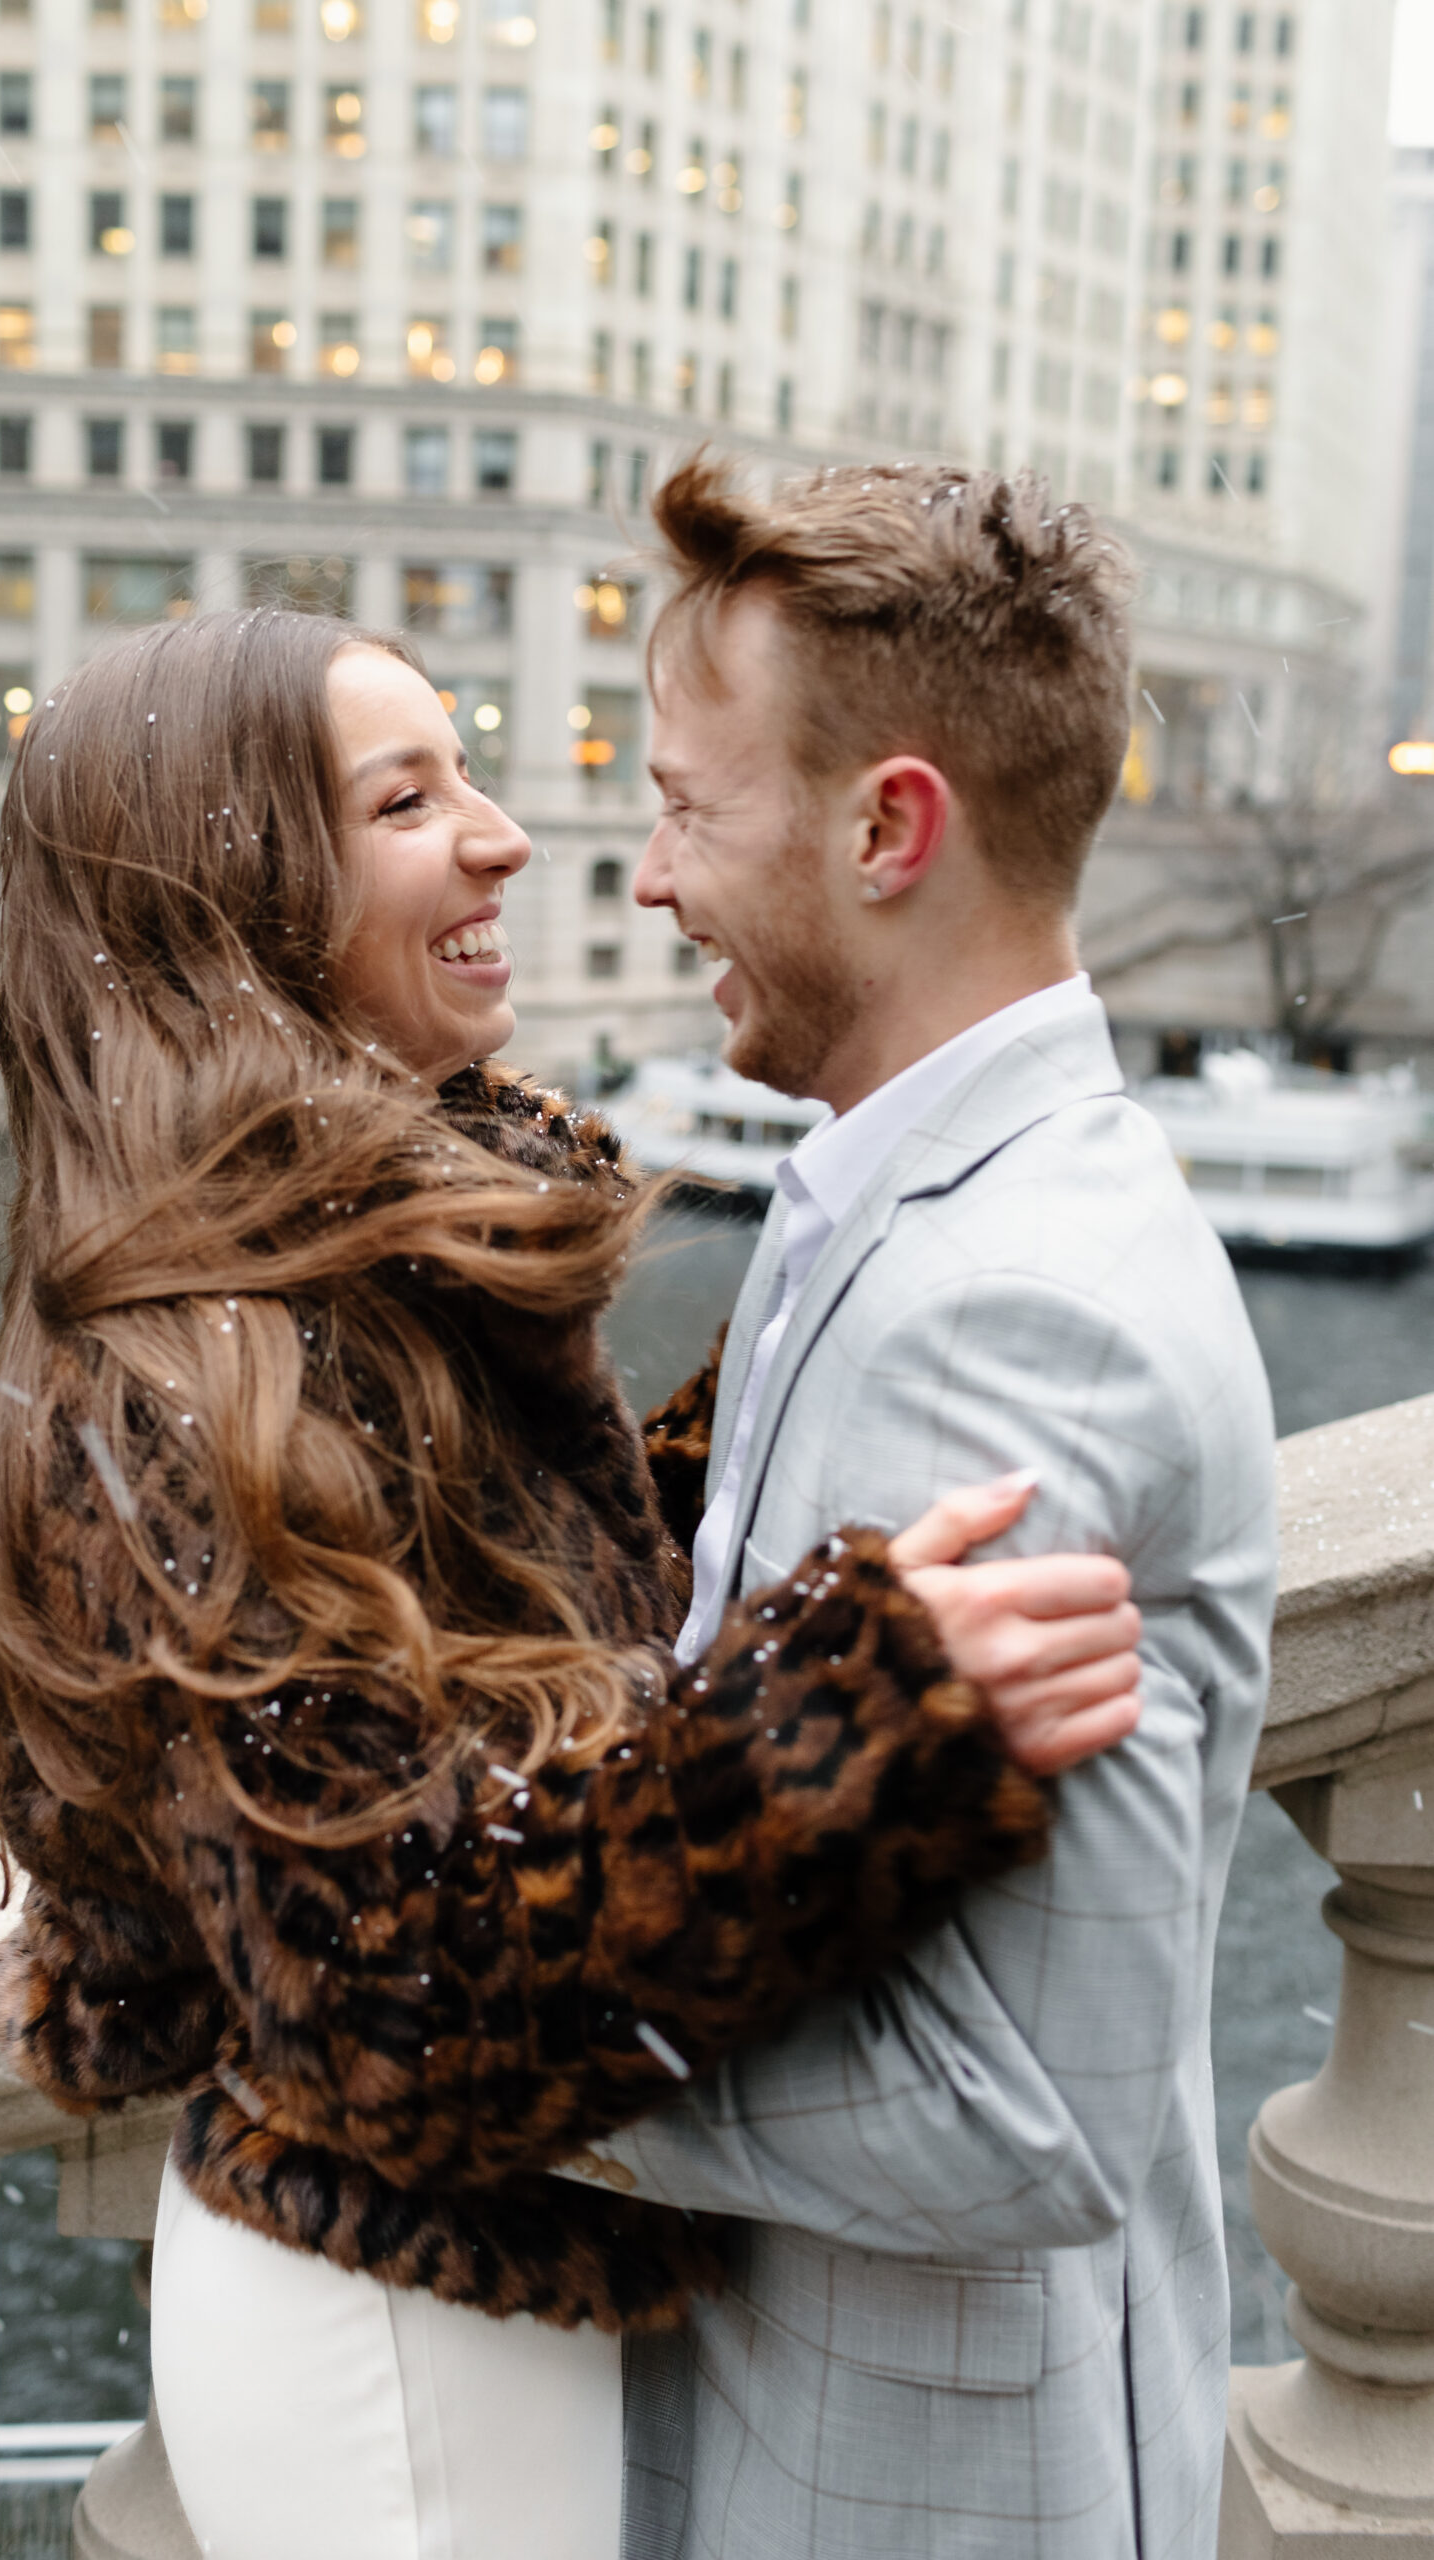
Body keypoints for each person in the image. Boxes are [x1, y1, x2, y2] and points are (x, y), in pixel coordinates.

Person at [0, 605, 1148, 2560]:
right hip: (404, 2349)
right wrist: (848, 1719)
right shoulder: (214, 1363)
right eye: (407, 799)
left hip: (438, 2299)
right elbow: (386, 1987)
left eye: (464, 770)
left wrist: (775, 1440)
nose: (502, 836)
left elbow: (508, 1645)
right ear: (239, 884)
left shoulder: (349, 1272)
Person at [563, 456, 1278, 2560]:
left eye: (688, 807)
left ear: (886, 828)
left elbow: (1017, 2112)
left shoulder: (1010, 1308)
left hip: (909, 2485)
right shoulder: (903, 1189)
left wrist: (488, 2052)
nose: (645, 877)